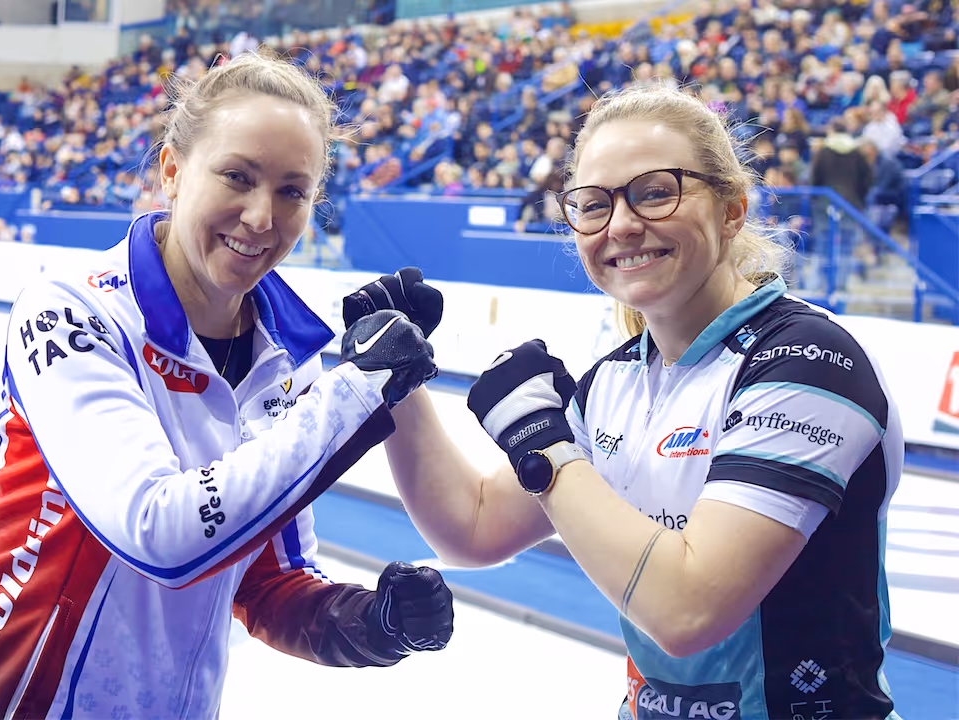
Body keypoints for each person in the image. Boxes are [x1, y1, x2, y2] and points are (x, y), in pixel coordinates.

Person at [0, 51, 454, 720]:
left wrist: (374, 623)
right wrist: (361, 391)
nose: (261, 217)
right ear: (172, 169)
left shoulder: (290, 358)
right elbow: (157, 531)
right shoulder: (72, 310)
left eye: (292, 190)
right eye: (237, 177)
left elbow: (269, 580)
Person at [347, 84, 904, 720]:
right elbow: (472, 528)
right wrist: (393, 380)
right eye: (592, 204)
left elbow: (687, 609)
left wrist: (544, 449)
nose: (622, 224)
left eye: (655, 192)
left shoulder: (809, 360)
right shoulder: (617, 378)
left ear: (731, 209)